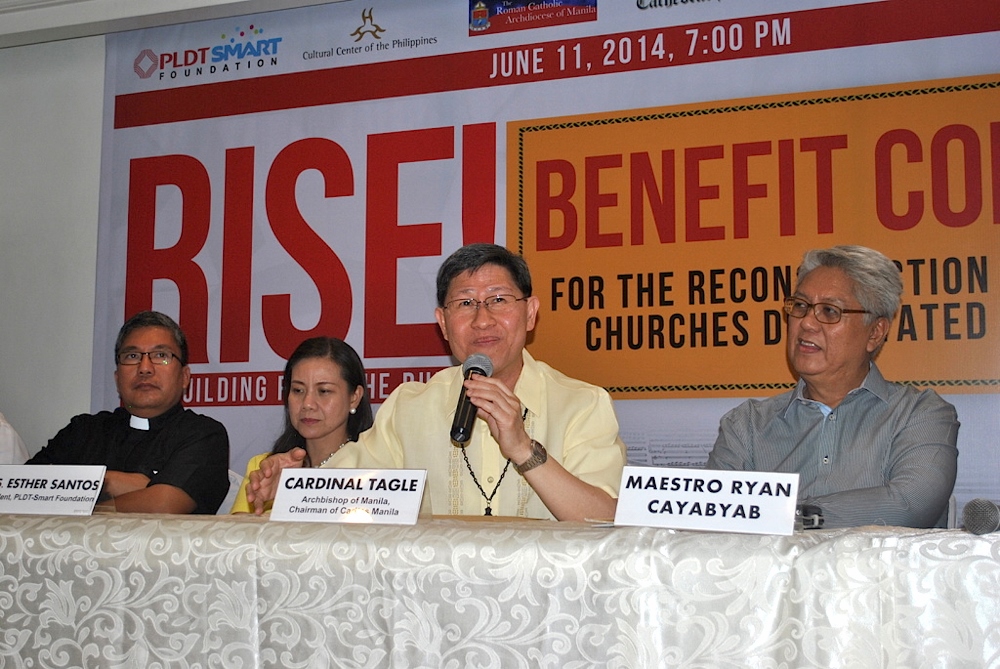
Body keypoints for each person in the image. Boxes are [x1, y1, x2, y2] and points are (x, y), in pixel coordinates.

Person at [247, 243, 626, 520]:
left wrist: (525, 450)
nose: (482, 320)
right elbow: (349, 494)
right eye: (464, 304)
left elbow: (607, 519)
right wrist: (295, 487)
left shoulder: (582, 404)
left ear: (530, 314)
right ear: (442, 324)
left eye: (498, 300)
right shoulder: (410, 406)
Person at [706, 245, 959, 528]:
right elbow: (714, 522)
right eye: (800, 306)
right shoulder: (747, 425)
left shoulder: (919, 413)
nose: (806, 323)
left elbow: (911, 506)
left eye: (829, 311)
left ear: (875, 333)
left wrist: (789, 517)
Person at [27, 311, 230, 514]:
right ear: (117, 379)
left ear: (185, 377)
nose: (144, 368)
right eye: (132, 356)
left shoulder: (204, 434)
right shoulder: (83, 431)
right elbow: (20, 491)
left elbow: (163, 505)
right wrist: (111, 482)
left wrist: (77, 498)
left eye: (161, 356)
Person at [229, 336, 373, 513]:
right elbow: (236, 537)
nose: (307, 403)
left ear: (354, 397)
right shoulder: (265, 468)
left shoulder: (375, 469)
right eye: (298, 390)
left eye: (324, 391)